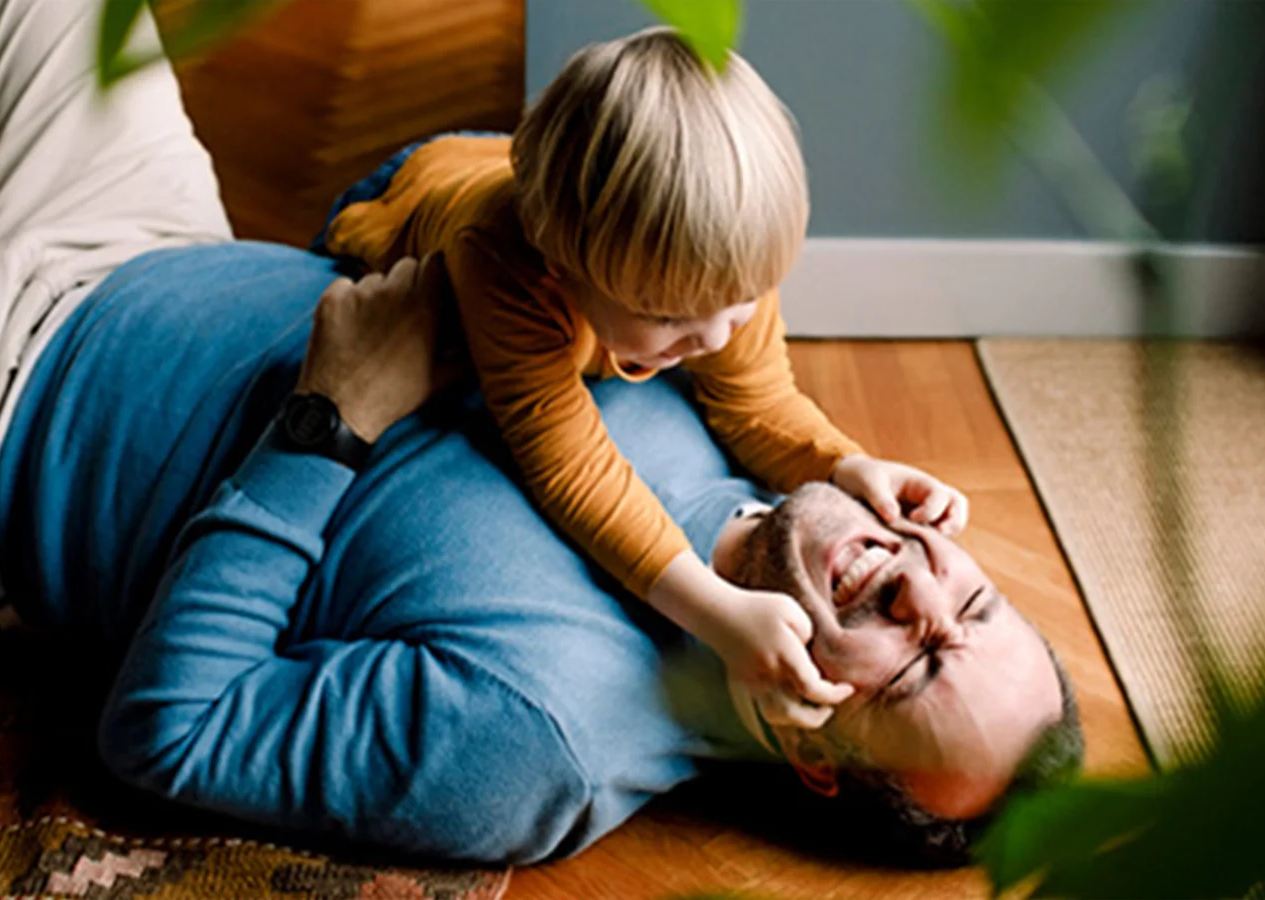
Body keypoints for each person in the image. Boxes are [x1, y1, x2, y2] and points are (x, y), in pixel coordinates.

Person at [0, 0, 1080, 866]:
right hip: (150, 239)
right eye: (971, 606)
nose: (919, 592)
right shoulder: (737, 407)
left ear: (820, 754)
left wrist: (329, 423)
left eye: (918, 666)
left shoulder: (534, 742)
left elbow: (168, 731)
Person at [321, 28, 968, 729]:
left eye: (741, 304)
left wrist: (844, 462)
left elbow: (757, 403)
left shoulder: (718, 271)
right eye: (667, 317)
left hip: (520, 166)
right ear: (560, 269)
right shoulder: (503, 265)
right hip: (422, 188)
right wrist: (716, 613)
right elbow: (570, 468)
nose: (716, 336)